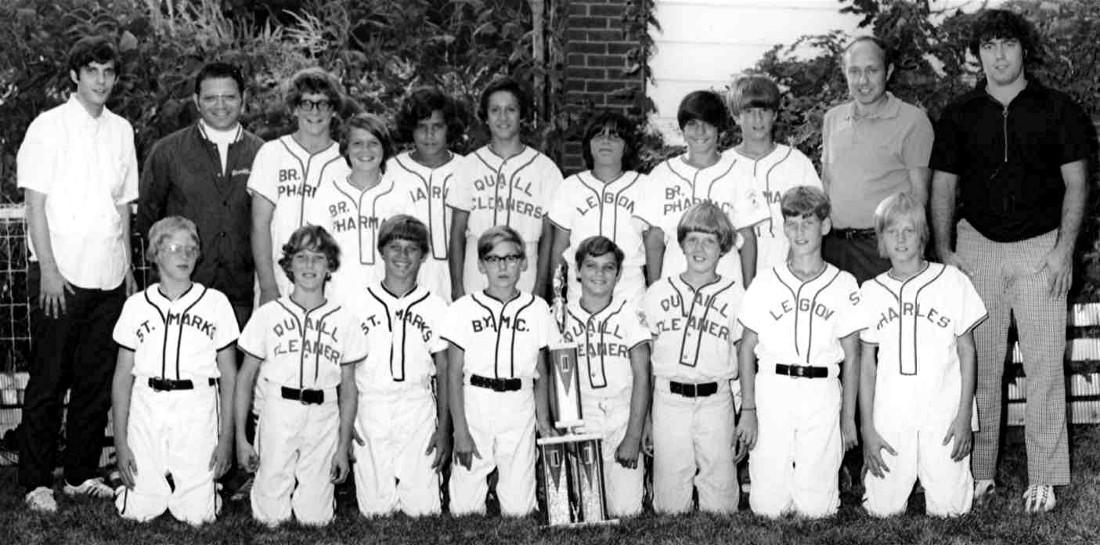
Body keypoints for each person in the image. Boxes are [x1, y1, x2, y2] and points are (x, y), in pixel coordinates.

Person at [929, 9, 1092, 513]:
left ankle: (1043, 477)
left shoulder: (1058, 109)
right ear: (977, 56)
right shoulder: (959, 114)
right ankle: (979, 473)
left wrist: (1064, 250)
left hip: (1041, 247)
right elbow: (942, 187)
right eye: (988, 46)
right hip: (976, 246)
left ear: (1024, 49)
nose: (998, 56)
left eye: (1007, 44)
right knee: (979, 364)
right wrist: (945, 251)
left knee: (1045, 366)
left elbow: (1077, 184)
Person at [17, 35, 139, 512]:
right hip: (60, 277)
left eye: (108, 72)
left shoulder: (122, 130)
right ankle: (35, 482)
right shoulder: (47, 127)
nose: (101, 80)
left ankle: (79, 474)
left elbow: (122, 206)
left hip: (109, 277)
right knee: (49, 380)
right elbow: (35, 205)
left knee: (95, 380)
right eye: (92, 71)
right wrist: (48, 270)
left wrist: (126, 269)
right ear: (75, 75)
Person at [736, 186, 861, 519]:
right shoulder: (765, 281)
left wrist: (848, 417)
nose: (800, 231)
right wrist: (748, 408)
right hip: (773, 386)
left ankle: (822, 482)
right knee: (767, 509)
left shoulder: (844, 283)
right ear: (784, 228)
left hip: (821, 389)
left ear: (825, 225)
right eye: (792, 223)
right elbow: (746, 348)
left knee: (816, 510)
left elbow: (853, 355)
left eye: (808, 222)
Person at [859, 192, 986, 517]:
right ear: (881, 239)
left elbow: (967, 351)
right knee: (882, 510)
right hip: (892, 410)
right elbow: (867, 366)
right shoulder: (871, 291)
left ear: (923, 236)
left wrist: (964, 417)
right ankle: (881, 481)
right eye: (892, 231)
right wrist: (868, 429)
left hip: (942, 408)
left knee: (951, 510)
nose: (901, 239)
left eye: (909, 230)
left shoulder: (951, 280)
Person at [234, 225, 367, 526]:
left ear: (330, 265)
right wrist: (242, 438)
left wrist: (343, 444)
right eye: (302, 257)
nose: (309, 265)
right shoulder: (268, 314)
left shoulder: (344, 319)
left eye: (318, 258)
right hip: (279, 408)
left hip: (324, 412)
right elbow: (245, 378)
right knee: (270, 517)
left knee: (315, 519)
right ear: (288, 265)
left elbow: (349, 388)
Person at [110, 217, 240, 525]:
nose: (184, 255)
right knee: (138, 512)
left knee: (198, 516)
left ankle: (203, 486)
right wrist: (120, 442)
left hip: (196, 406)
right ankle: (143, 484)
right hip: (147, 404)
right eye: (174, 248)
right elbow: (122, 377)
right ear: (155, 254)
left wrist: (227, 439)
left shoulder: (215, 303)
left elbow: (230, 375)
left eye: (191, 249)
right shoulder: (136, 305)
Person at [137, 62, 265, 327]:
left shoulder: (263, 154)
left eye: (229, 97)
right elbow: (148, 221)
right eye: (210, 98)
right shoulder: (167, 152)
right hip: (180, 293)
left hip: (241, 296)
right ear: (196, 101)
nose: (221, 105)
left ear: (243, 99)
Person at [440, 226, 554, 516]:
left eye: (511, 258)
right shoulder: (463, 308)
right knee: (464, 510)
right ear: (481, 265)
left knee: (519, 511)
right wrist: (460, 431)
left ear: (523, 263)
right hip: (476, 400)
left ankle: (507, 487)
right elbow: (453, 373)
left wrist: (544, 422)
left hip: (518, 402)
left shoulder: (538, 308)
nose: (503, 267)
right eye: (493, 259)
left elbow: (541, 371)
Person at [643, 202, 746, 514]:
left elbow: (743, 354)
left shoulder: (736, 295)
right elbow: (647, 359)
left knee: (722, 507)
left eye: (709, 241)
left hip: (716, 398)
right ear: (681, 244)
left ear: (722, 248)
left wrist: (744, 410)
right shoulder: (658, 292)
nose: (699, 249)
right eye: (693, 240)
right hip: (669, 398)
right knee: (669, 508)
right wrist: (646, 416)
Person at [345, 215, 451, 517]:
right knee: (376, 511)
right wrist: (346, 423)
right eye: (395, 247)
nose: (402, 255)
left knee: (424, 511)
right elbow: (346, 370)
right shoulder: (358, 303)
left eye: (411, 248)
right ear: (381, 251)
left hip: (416, 406)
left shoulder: (435, 306)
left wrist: (444, 428)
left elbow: (444, 371)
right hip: (370, 405)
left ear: (423, 255)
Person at [821, 36, 934, 285]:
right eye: (854, 71)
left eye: (872, 70)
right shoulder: (832, 119)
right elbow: (827, 182)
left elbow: (919, 197)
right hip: (833, 247)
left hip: (882, 249)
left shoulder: (912, 121)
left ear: (888, 71)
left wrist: (909, 253)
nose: (863, 81)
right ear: (844, 72)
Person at [637, 90, 769, 288]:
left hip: (725, 283)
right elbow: (655, 238)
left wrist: (747, 291)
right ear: (682, 128)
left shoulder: (739, 173)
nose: (700, 131)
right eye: (692, 124)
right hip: (674, 283)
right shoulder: (662, 174)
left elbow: (748, 238)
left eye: (707, 123)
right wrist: (655, 290)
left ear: (719, 128)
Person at [559, 235, 651, 517]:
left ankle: (641, 482)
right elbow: (558, 378)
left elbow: (642, 376)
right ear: (577, 271)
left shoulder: (629, 313)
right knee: (590, 510)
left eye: (608, 267)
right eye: (591, 266)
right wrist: (567, 430)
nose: (599, 274)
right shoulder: (562, 316)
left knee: (626, 510)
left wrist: (633, 435)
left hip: (622, 414)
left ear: (618, 274)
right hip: (583, 414)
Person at [447, 77, 563, 300]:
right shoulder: (469, 166)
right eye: (495, 110)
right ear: (486, 117)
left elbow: (549, 236)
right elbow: (457, 232)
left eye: (510, 109)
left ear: (522, 115)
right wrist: (457, 287)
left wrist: (541, 286)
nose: (503, 117)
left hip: (525, 266)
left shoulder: (545, 169)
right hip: (477, 267)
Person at [249, 67, 348, 306]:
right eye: (306, 103)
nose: (315, 111)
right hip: (278, 280)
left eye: (323, 103)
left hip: (331, 285)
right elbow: (259, 224)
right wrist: (268, 286)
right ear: (294, 108)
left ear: (334, 109)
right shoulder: (272, 152)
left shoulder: (346, 160)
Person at [306, 112, 412, 303]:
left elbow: (410, 254)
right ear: (345, 149)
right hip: (337, 298)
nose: (365, 150)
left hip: (387, 300)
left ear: (384, 147)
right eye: (357, 143)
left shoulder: (400, 194)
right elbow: (314, 253)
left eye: (373, 143)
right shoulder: (327, 193)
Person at [548, 111, 650, 305]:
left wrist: (654, 296)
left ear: (626, 146)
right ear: (589, 144)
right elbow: (559, 251)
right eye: (599, 135)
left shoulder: (644, 186)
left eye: (615, 136)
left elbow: (654, 248)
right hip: (580, 299)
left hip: (631, 298)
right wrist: (557, 298)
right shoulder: (570, 186)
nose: (606, 141)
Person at [725, 75, 822, 274]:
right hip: (732, 270)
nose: (758, 119)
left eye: (764, 110)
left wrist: (790, 270)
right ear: (736, 117)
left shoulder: (796, 162)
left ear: (775, 115)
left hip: (788, 265)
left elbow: (815, 220)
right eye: (749, 111)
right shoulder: (722, 165)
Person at [389, 87, 467, 302]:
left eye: (437, 126)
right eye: (421, 127)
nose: (429, 135)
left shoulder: (467, 169)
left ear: (449, 128)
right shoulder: (392, 170)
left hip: (458, 281)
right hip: (406, 279)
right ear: (410, 129)